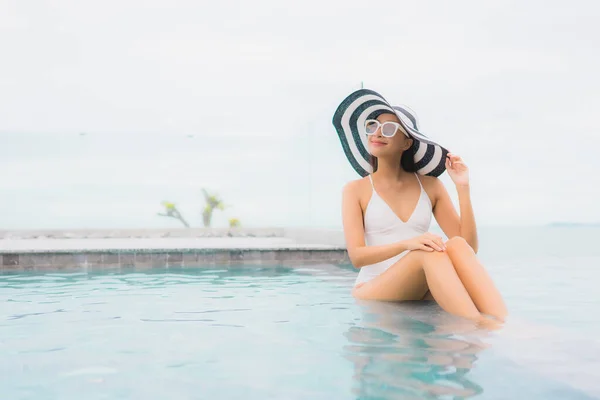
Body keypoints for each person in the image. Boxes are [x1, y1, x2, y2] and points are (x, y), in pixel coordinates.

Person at [332, 89, 507, 322]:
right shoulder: (355, 190)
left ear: (406, 142)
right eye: (373, 125)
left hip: (420, 285)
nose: (378, 133)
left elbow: (469, 248)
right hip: (373, 287)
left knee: (454, 245)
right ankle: (480, 324)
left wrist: (462, 187)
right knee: (426, 252)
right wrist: (408, 243)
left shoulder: (431, 186)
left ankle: (502, 321)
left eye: (389, 128)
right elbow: (357, 257)